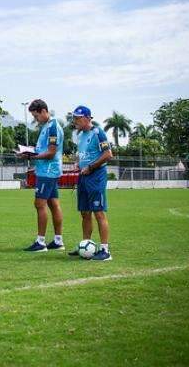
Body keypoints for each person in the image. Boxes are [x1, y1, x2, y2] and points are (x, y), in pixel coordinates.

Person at [69, 105, 113, 261]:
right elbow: (82, 155)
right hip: (83, 176)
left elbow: (108, 154)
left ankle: (105, 251)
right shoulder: (80, 135)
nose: (75, 121)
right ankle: (85, 245)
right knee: (85, 213)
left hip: (96, 176)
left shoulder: (98, 132)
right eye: (74, 118)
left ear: (88, 118)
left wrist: (90, 167)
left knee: (99, 212)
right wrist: (78, 164)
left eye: (78, 118)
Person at [21, 99, 65, 252]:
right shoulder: (47, 126)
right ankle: (58, 241)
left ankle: (40, 242)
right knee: (53, 204)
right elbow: (43, 149)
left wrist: (32, 157)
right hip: (45, 171)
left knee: (39, 204)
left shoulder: (53, 126)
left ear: (43, 111)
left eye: (36, 116)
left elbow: (51, 153)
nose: (35, 119)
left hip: (48, 172)